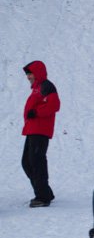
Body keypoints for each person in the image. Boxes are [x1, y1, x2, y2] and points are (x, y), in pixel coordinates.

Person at [22, 61, 60, 208]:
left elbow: (54, 105)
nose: (28, 77)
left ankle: (43, 197)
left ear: (37, 72)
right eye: (27, 74)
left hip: (40, 130)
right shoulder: (38, 88)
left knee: (36, 161)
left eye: (30, 74)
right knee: (27, 162)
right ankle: (45, 192)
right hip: (33, 129)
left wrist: (36, 112)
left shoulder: (46, 86)